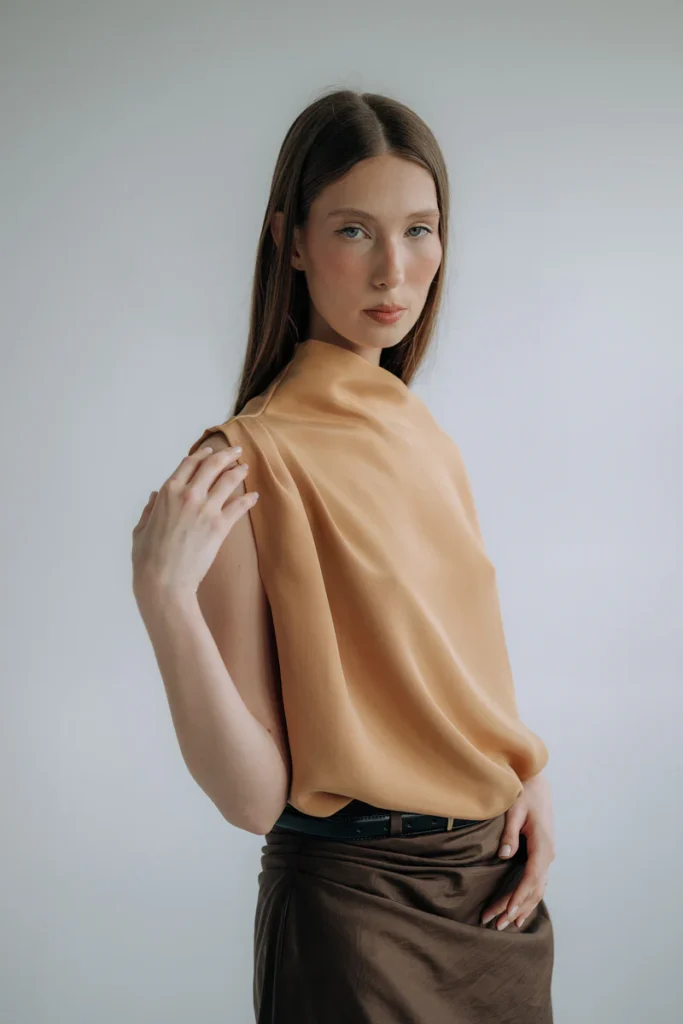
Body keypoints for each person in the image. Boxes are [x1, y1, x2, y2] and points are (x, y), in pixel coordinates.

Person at [131, 88, 555, 1023]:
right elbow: (252, 799)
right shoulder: (244, 463)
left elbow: (452, 670)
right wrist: (164, 599)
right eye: (355, 231)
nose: (393, 271)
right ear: (290, 240)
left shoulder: (422, 433)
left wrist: (522, 776)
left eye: (419, 230)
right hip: (358, 917)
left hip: (493, 901)